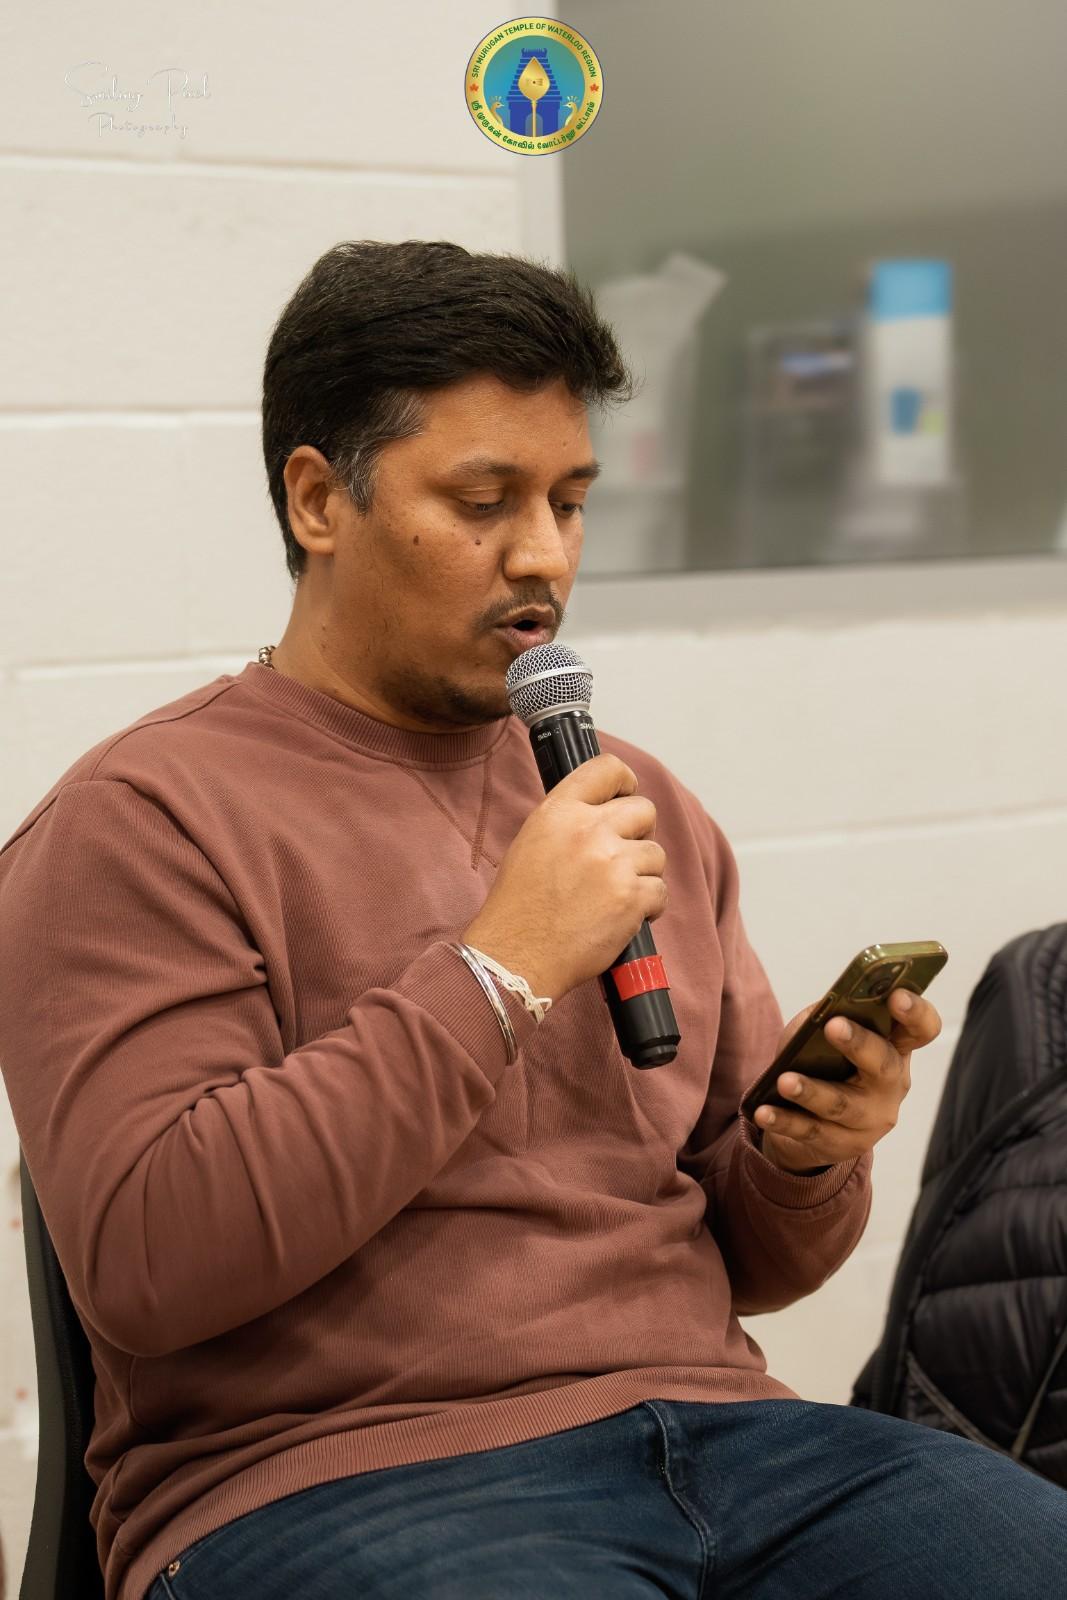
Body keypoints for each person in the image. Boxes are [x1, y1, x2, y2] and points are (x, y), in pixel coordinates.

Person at [0, 240, 1062, 1600]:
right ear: (319, 500)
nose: (545, 557)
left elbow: (752, 1263)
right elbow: (152, 1263)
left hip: (728, 1435)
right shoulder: (138, 821)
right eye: (484, 501)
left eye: (570, 502)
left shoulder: (631, 800)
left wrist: (804, 1157)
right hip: (340, 1474)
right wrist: (499, 970)